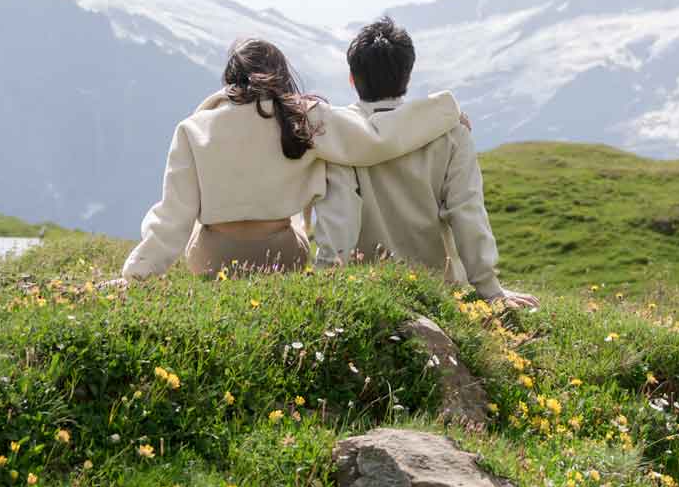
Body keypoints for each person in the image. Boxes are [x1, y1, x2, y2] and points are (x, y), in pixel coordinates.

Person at [121, 37, 469, 280]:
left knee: (196, 212)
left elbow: (173, 215)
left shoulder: (192, 128)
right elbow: (376, 139)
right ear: (282, 75)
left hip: (212, 260)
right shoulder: (305, 117)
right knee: (300, 210)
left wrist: (137, 273)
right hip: (282, 257)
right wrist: (445, 112)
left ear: (230, 79)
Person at [310, 17, 537, 310]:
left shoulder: (338, 137)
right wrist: (490, 289)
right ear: (408, 75)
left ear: (352, 79)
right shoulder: (451, 132)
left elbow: (340, 219)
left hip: (368, 293)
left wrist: (326, 285)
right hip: (442, 292)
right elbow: (467, 211)